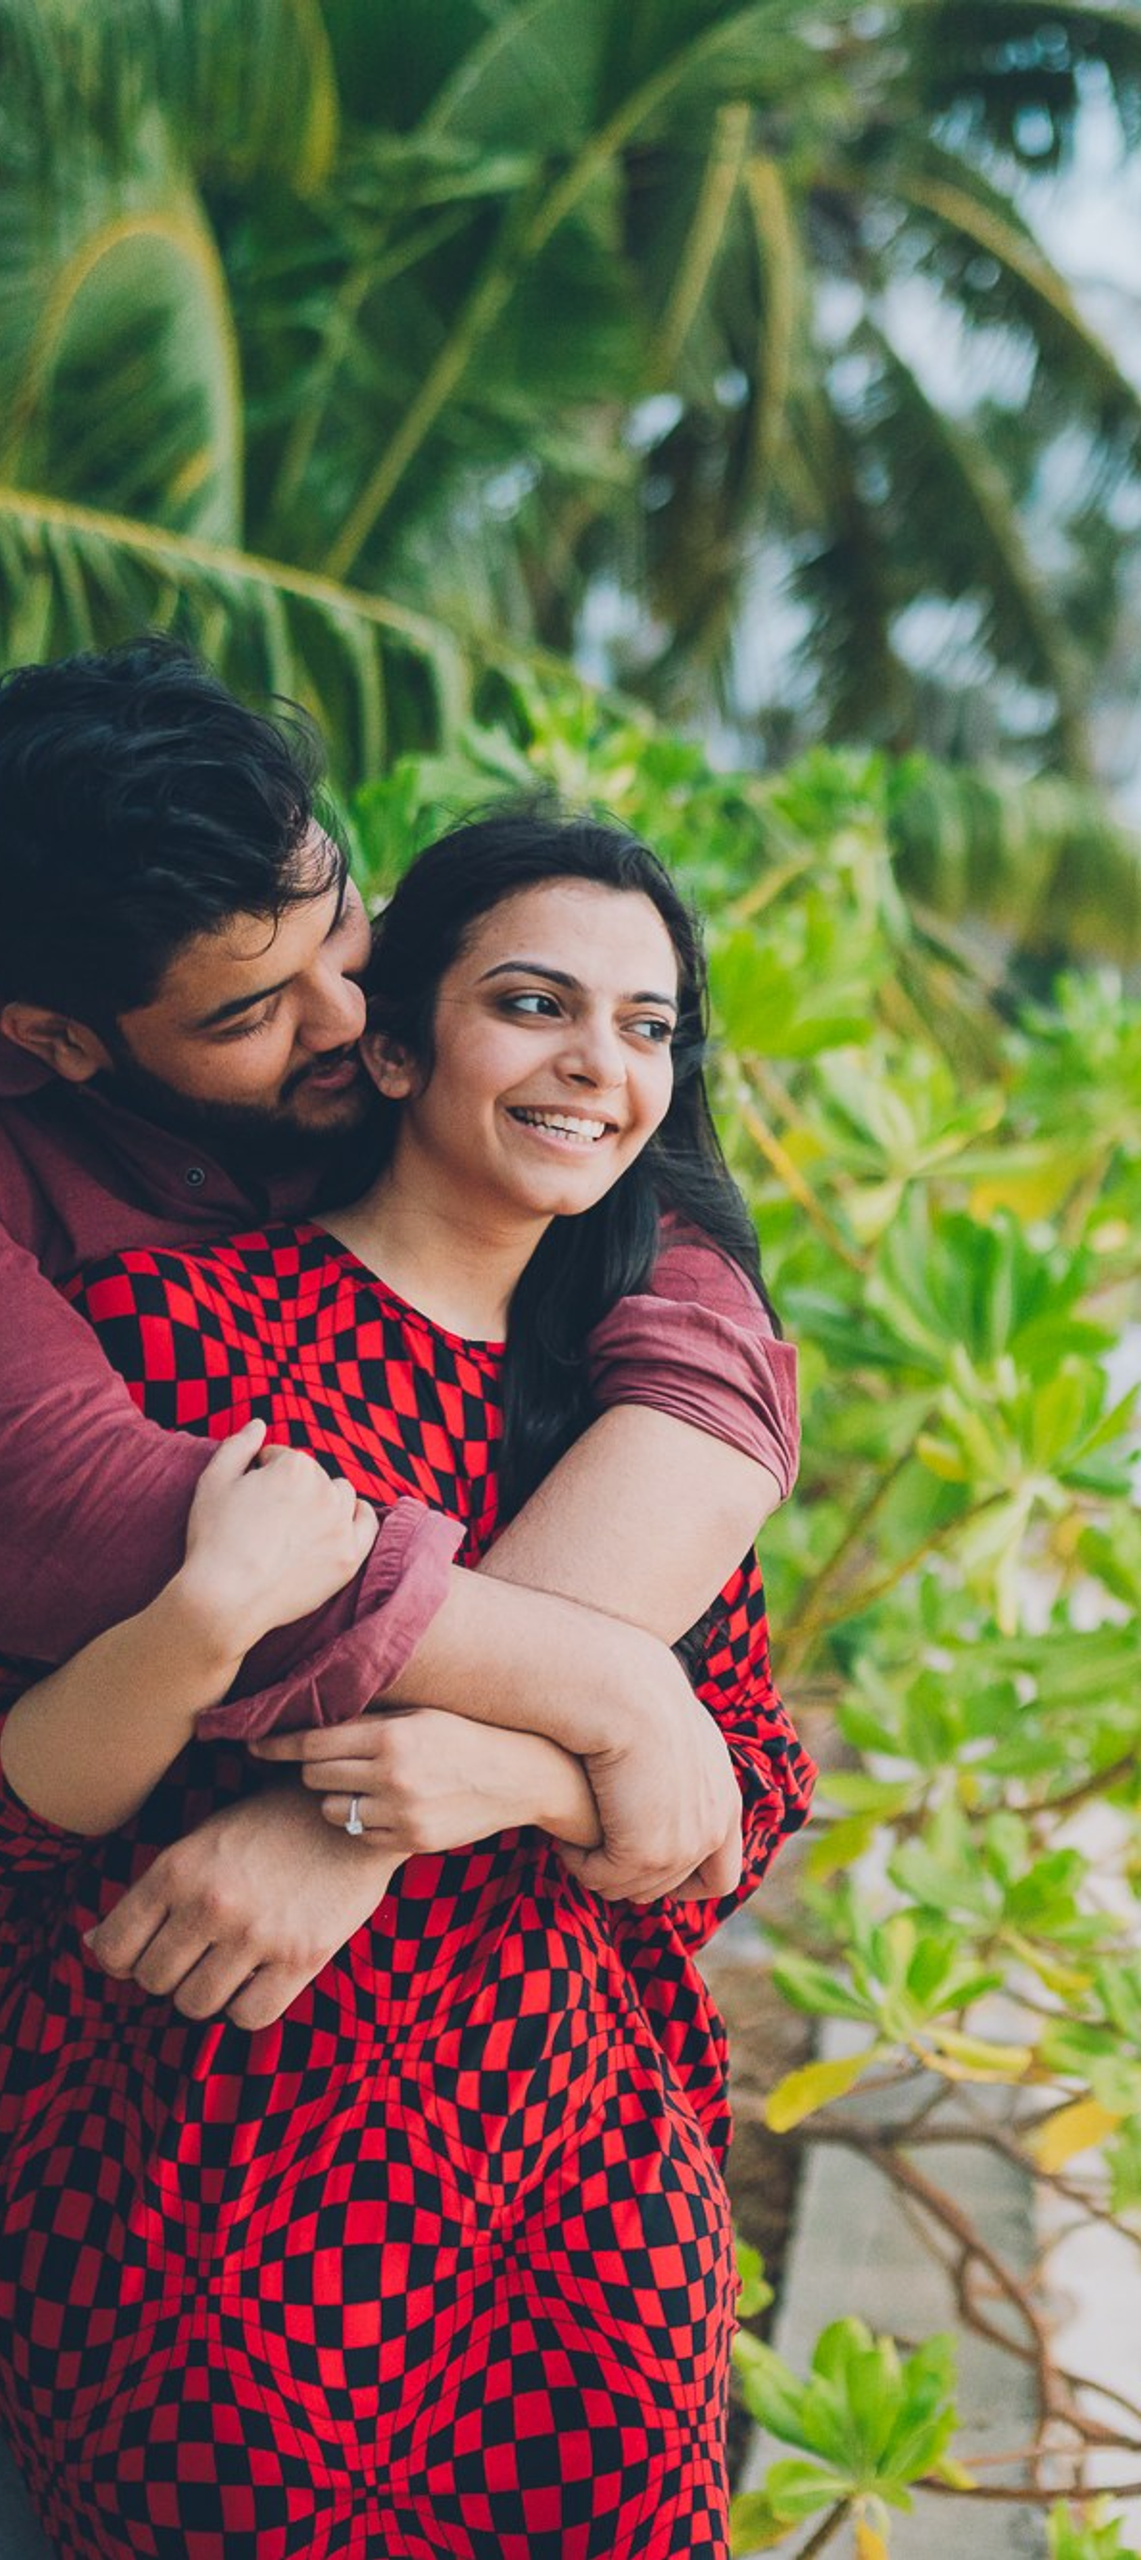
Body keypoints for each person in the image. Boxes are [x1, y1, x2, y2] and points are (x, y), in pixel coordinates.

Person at [0, 641, 804, 2552]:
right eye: (528, 1004)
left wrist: (478, 1776)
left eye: (648, 1025)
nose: (339, 1008)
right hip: (224, 2250)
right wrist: (600, 1705)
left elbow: (735, 1791)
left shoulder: (612, 1384)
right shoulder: (168, 1343)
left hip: (593, 2247)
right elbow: (41, 1799)